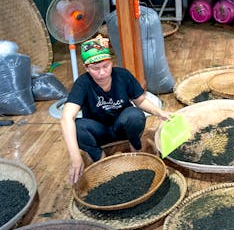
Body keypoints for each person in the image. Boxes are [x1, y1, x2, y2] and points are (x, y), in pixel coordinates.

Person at [60, 35, 172, 184]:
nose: (102, 73)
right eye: (95, 69)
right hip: (99, 132)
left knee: (135, 114)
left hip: (122, 127)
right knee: (78, 127)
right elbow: (66, 118)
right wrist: (75, 156)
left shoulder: (123, 75)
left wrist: (160, 113)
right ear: (86, 68)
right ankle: (100, 158)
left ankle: (135, 145)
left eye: (106, 66)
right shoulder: (82, 83)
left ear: (111, 62)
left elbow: (140, 101)